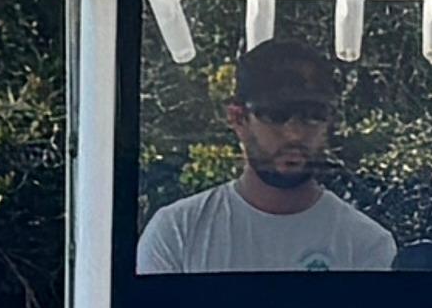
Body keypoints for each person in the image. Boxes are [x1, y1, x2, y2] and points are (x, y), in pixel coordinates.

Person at [135, 36, 398, 273]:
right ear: (238, 118)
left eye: (313, 115)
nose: (294, 133)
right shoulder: (176, 232)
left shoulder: (367, 243)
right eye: (276, 114)